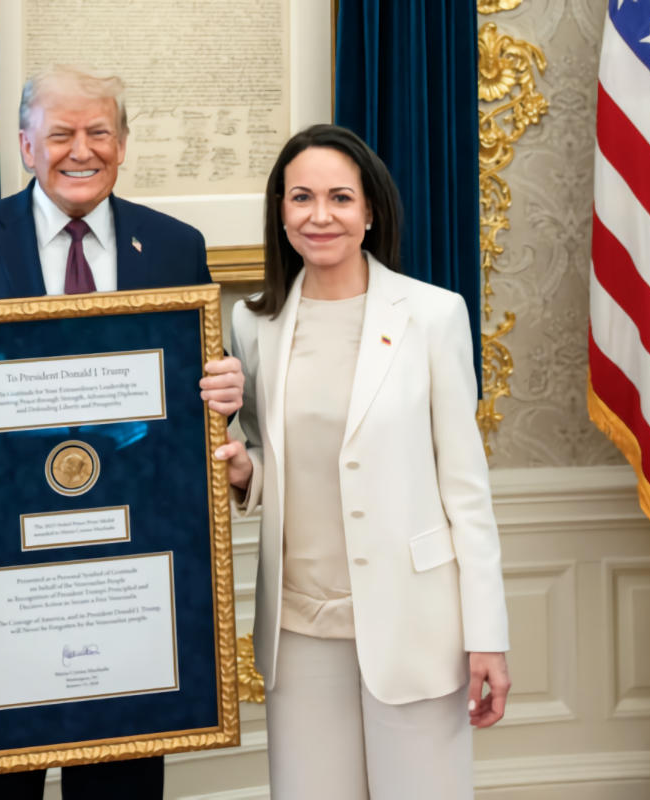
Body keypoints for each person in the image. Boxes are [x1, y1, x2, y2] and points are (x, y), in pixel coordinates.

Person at [0, 66, 242, 800]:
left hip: (131, 571)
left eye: (99, 132)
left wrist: (224, 394)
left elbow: (189, 393)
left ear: (123, 144)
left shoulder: (173, 246)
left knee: (121, 785)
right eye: (62, 133)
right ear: (25, 145)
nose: (82, 150)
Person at [213, 124, 510, 798]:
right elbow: (264, 451)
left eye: (340, 198)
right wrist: (242, 472)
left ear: (370, 211)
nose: (319, 216)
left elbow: (465, 489)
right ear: (279, 212)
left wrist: (486, 636)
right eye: (300, 198)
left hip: (416, 622)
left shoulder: (433, 316)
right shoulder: (252, 325)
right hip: (298, 626)